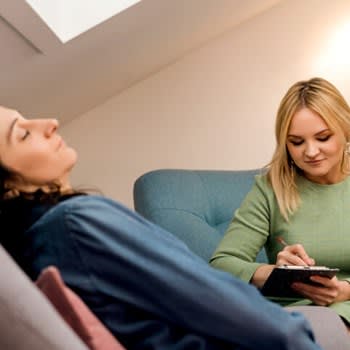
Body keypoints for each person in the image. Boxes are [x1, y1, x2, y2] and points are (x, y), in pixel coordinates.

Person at [0, 106, 326, 350]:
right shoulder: (76, 222)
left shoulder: (39, 244)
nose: (49, 123)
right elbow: (212, 300)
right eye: (22, 134)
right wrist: (295, 335)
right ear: (7, 188)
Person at [210, 77, 350, 332]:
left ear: (346, 129)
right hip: (293, 314)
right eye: (296, 142)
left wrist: (344, 291)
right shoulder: (270, 188)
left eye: (323, 137)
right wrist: (276, 272)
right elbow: (222, 263)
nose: (310, 151)